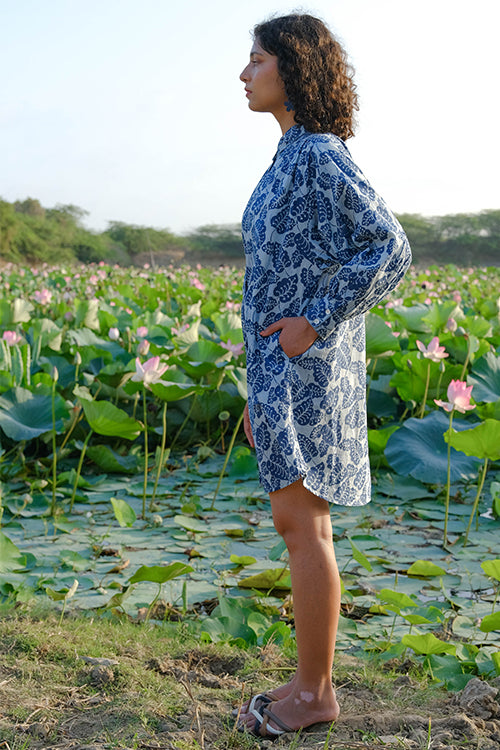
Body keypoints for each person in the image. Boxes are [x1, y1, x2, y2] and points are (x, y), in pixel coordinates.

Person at [237, 13, 411, 739]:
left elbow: (390, 249)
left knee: (305, 527)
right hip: (281, 373)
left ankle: (314, 694)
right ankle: (310, 682)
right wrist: (258, 388)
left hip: (311, 370)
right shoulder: (288, 156)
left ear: (293, 69)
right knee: (297, 523)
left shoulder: (318, 155)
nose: (244, 74)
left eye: (256, 60)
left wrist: (315, 318)